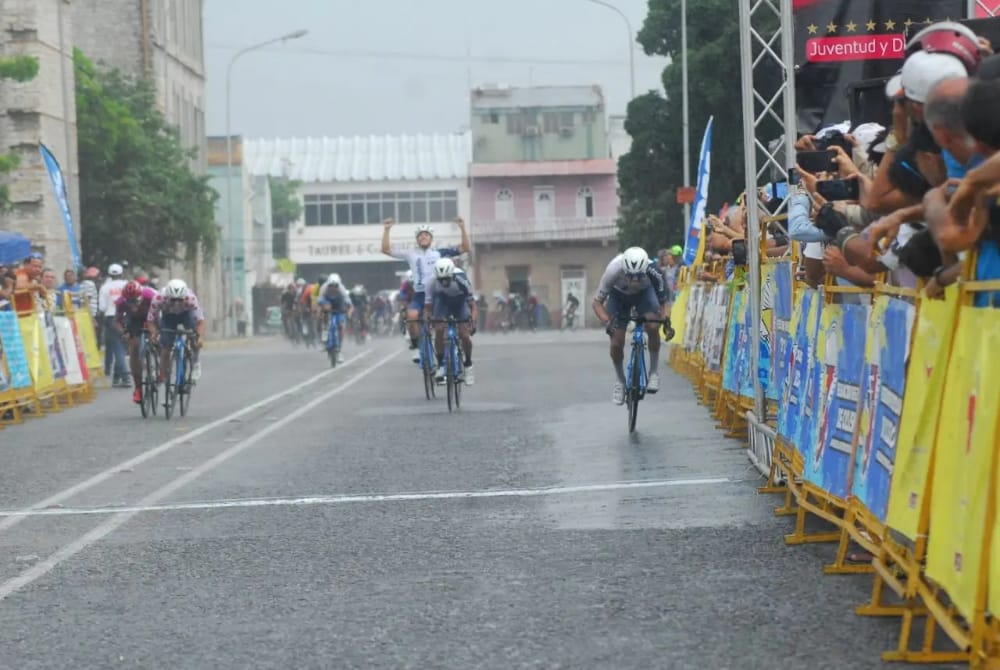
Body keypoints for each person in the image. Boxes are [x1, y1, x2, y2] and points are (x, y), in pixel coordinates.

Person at [382, 217, 470, 362]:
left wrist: (462, 228)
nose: (423, 237)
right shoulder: (410, 253)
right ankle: (416, 347)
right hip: (420, 295)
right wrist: (387, 230)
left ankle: (449, 354)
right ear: (417, 239)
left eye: (426, 235)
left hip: (439, 293)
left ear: (431, 238)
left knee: (442, 324)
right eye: (420, 235)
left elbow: (465, 248)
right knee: (411, 317)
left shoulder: (439, 253)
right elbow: (386, 249)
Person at [592, 247, 670, 405]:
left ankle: (653, 372)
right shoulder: (613, 269)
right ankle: (620, 381)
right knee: (616, 342)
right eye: (630, 276)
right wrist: (608, 321)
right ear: (623, 271)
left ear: (645, 270)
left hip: (644, 294)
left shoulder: (654, 271)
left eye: (639, 276)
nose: (634, 281)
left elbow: (664, 303)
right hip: (618, 295)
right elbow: (596, 303)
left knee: (653, 326)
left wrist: (666, 322)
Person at [424, 258, 477, 385]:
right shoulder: (431, 282)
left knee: (464, 335)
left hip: (460, 302)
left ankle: (468, 364)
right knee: (440, 329)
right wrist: (429, 321)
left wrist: (473, 322)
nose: (444, 282)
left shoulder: (461, 279)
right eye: (441, 280)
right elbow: (428, 307)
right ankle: (441, 365)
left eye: (446, 279)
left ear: (452, 275)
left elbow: (473, 305)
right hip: (443, 302)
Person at [147, 279, 205, 383]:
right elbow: (151, 320)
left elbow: (200, 321)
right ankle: (163, 372)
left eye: (179, 300)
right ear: (167, 296)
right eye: (173, 300)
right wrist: (154, 333)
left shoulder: (190, 298)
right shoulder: (159, 298)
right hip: (168, 316)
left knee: (195, 339)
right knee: (165, 347)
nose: (176, 303)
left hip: (186, 314)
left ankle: (195, 363)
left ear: (184, 297)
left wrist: (200, 337)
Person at [114, 280, 158, 403]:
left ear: (141, 297)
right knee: (134, 348)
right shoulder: (121, 301)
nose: (133, 305)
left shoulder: (151, 295)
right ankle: (138, 388)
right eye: (130, 302)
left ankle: (159, 366)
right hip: (135, 320)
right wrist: (123, 332)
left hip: (152, 316)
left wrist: (156, 332)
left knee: (158, 339)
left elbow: (161, 313)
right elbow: (117, 320)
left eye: (135, 301)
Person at [98, 263, 129, 386]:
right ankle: (118, 375)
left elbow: (102, 307)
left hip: (112, 318)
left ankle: (124, 375)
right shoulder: (127, 285)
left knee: (117, 347)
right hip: (127, 317)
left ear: (109, 274)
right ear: (122, 273)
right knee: (124, 347)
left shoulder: (105, 287)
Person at [317, 274, 352, 363]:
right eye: (331, 285)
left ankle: (339, 350)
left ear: (338, 285)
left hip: (339, 305)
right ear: (328, 284)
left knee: (340, 326)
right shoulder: (324, 288)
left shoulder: (342, 289)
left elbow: (349, 304)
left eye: (335, 286)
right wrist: (320, 311)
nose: (333, 287)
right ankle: (324, 340)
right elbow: (319, 301)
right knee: (324, 320)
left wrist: (348, 313)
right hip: (327, 302)